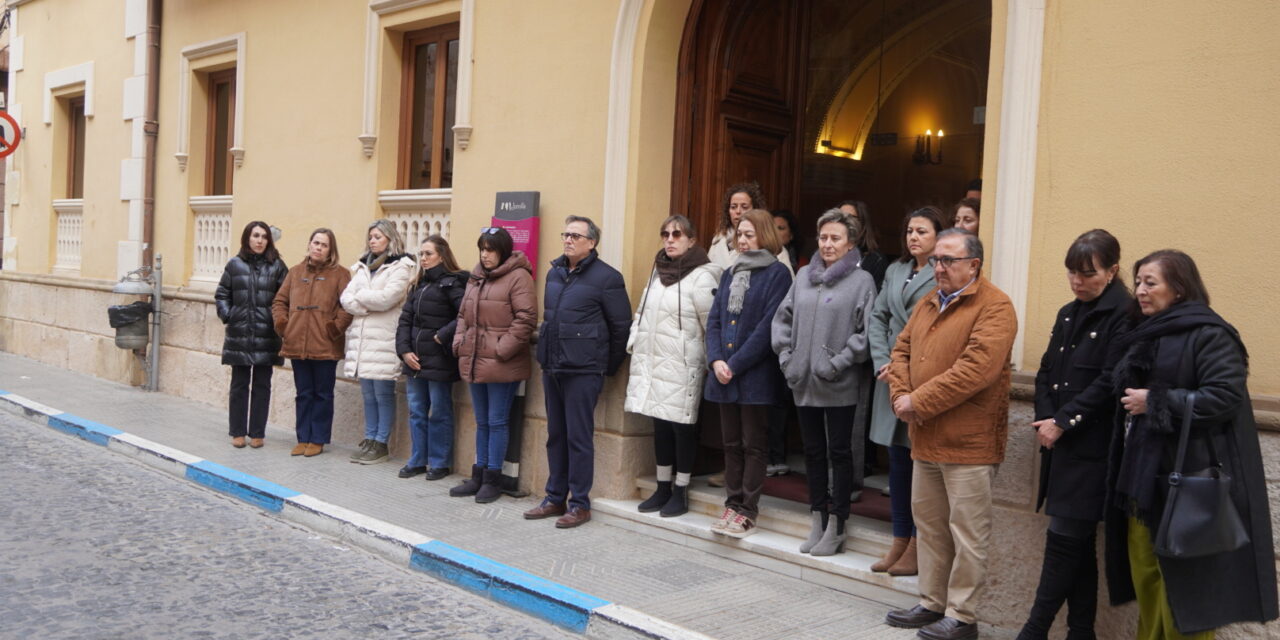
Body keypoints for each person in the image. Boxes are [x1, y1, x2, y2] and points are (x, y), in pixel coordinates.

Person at [1105, 250, 1277, 638]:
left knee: (1186, 588)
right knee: (1147, 573)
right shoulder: (1144, 332)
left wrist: (1156, 401)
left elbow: (1224, 397)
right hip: (1142, 479)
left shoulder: (1211, 333)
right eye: (1138, 281)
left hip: (1187, 480)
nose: (1140, 290)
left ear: (1180, 289)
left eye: (1151, 283)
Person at [884, 229, 1017, 640]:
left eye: (947, 260)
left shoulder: (995, 306)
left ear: (973, 265)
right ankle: (931, 603)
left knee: (967, 534)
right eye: (936, 260)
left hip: (968, 443)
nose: (938, 268)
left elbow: (975, 371)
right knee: (931, 527)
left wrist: (917, 401)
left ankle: (962, 616)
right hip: (926, 437)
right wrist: (900, 395)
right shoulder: (929, 301)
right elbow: (901, 351)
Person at [1017, 230, 1131, 639]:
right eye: (1071, 273)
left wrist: (1064, 421)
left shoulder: (1125, 314)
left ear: (1112, 271)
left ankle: (1034, 630)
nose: (1077, 282)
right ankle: (1081, 632)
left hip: (1092, 449)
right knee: (1078, 547)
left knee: (1064, 540)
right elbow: (1047, 370)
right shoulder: (1068, 312)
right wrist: (1047, 417)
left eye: (1088, 274)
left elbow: (1111, 380)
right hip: (1060, 444)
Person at [771, 208, 877, 556]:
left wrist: (837, 363)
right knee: (813, 453)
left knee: (840, 453)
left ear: (850, 244)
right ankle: (817, 517)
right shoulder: (803, 275)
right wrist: (787, 359)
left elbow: (866, 333)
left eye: (836, 238)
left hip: (838, 382)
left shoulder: (862, 281)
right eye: (823, 237)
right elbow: (782, 319)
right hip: (803, 382)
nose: (828, 244)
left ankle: (838, 524)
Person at [523, 216, 631, 528]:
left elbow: (621, 328)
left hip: (584, 370)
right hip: (553, 366)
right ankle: (554, 497)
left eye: (575, 236)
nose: (568, 240)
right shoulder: (555, 272)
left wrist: (606, 367)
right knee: (556, 435)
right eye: (566, 234)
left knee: (579, 438)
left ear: (591, 242)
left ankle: (580, 504)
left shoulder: (608, 278)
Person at [703, 209, 793, 539]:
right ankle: (732, 503)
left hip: (754, 375)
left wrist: (735, 364)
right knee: (730, 444)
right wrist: (716, 360)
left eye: (748, 234)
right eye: (739, 234)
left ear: (764, 235)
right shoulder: (730, 272)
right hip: (724, 373)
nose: (741, 240)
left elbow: (768, 327)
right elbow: (714, 320)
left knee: (753, 444)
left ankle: (748, 510)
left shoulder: (778, 274)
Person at [625, 215, 722, 517]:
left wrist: (709, 361)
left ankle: (681, 490)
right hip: (654, 361)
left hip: (684, 364)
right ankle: (662, 487)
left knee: (682, 428)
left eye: (677, 234)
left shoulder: (703, 276)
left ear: (691, 240)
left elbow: (711, 324)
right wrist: (635, 341)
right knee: (661, 426)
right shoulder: (658, 271)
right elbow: (641, 312)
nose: (670, 239)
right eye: (665, 234)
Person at [867, 205, 944, 577]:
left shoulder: (943, 272)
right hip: (890, 376)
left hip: (922, 376)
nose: (914, 237)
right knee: (896, 463)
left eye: (922, 231)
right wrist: (883, 360)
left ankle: (917, 542)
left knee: (920, 465)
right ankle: (898, 539)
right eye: (910, 230)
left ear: (939, 236)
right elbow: (878, 316)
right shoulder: (895, 270)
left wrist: (907, 367)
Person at [450, 228, 536, 502]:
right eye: (482, 249)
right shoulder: (476, 276)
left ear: (503, 251)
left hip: (501, 363)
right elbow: (463, 315)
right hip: (475, 358)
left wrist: (502, 350)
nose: (485, 255)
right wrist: (460, 342)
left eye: (491, 250)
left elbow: (526, 318)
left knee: (497, 421)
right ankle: (478, 475)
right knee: (482, 421)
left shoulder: (519, 276)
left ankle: (493, 479)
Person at [341, 219, 416, 465]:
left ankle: (381, 442)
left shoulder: (401, 266)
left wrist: (361, 297)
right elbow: (345, 298)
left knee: (383, 393)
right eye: (371, 237)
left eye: (378, 237)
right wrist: (365, 306)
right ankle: (370, 437)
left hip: (384, 340)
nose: (372, 241)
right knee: (368, 394)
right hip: (362, 340)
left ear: (390, 239)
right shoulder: (363, 265)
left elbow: (387, 299)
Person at [271, 228, 352, 457]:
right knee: (303, 393)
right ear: (309, 244)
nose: (318, 248)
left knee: (323, 394)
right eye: (316, 243)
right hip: (297, 343)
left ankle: (318, 439)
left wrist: (334, 329)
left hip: (325, 344)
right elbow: (279, 301)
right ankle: (303, 437)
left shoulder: (340, 274)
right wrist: (284, 326)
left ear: (330, 250)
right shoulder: (295, 272)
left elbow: (347, 306)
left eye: (324, 245)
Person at [395, 235, 468, 481]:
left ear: (442, 255)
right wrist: (404, 351)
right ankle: (417, 460)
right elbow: (405, 320)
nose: (424, 259)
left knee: (439, 411)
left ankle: (439, 462)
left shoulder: (453, 283)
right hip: (414, 359)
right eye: (421, 254)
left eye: (428, 254)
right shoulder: (419, 284)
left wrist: (442, 336)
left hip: (439, 359)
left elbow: (465, 314)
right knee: (416, 411)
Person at [215, 221, 288, 449]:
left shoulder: (277, 266)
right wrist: (229, 315)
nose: (259, 240)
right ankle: (237, 432)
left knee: (262, 386)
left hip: (267, 334)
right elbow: (222, 293)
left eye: (264, 237)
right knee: (239, 385)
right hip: (240, 333)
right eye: (255, 235)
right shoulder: (234, 265)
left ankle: (257, 432)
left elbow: (285, 298)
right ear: (247, 238)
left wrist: (278, 323)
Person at [708, 182, 767, 269]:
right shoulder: (717, 242)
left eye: (744, 207)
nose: (738, 211)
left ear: (755, 210)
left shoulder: (766, 241)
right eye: (733, 207)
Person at [838, 200, 889, 290]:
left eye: (850, 217)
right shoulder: (826, 253)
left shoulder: (876, 260)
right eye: (839, 217)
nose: (843, 221)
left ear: (862, 223)